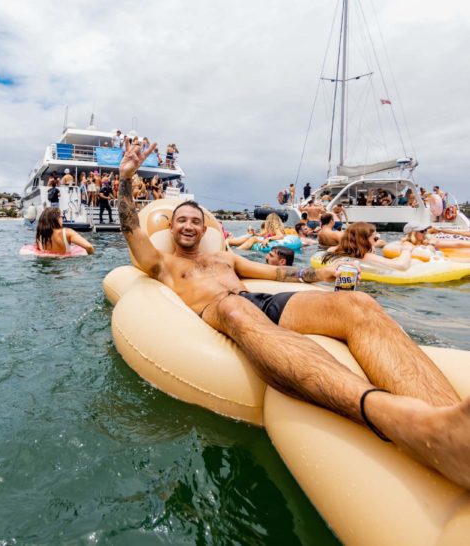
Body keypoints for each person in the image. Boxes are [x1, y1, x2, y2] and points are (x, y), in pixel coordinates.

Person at [117, 138, 470, 490]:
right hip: (222, 312)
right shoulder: (163, 263)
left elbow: (279, 275)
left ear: (205, 228)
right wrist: (124, 181)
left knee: (359, 305)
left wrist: (322, 274)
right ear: (172, 228)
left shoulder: (226, 258)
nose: (189, 226)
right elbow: (132, 229)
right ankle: (391, 417)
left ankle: (456, 433)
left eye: (196, 220)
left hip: (258, 301)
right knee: (236, 308)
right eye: (182, 221)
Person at [322, 222, 412, 271]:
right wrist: (406, 249)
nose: (375, 242)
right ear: (363, 240)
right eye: (375, 239)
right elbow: (401, 266)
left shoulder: (332, 250)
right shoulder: (367, 257)